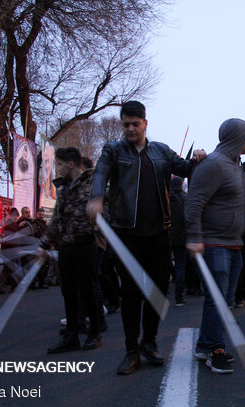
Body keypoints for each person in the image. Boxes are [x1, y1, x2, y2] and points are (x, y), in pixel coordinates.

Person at [86, 100, 206, 375]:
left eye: (135, 124)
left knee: (158, 290)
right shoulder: (114, 150)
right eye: (125, 124)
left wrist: (200, 157)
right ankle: (131, 351)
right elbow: (101, 172)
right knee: (131, 293)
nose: (129, 129)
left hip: (159, 234)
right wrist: (96, 198)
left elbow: (186, 167)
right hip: (126, 234)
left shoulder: (162, 152)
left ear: (145, 123)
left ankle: (149, 343)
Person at [185, 118, 245, 374]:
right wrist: (194, 236)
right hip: (214, 243)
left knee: (225, 298)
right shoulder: (213, 164)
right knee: (217, 299)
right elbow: (193, 203)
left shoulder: (235, 166)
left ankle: (204, 345)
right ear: (236, 137)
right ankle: (215, 350)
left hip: (234, 243)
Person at [39, 147, 102, 353]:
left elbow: (107, 206)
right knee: (68, 292)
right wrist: (44, 244)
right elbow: (57, 218)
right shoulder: (64, 188)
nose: (57, 168)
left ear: (71, 164)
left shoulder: (93, 183)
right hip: (65, 244)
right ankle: (72, 335)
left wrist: (100, 216)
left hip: (85, 243)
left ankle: (94, 332)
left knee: (87, 289)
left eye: (59, 164)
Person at [169, 176, 188, 307]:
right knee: (181, 265)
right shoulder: (185, 199)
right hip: (182, 236)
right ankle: (179, 297)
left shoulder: (166, 198)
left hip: (166, 236)